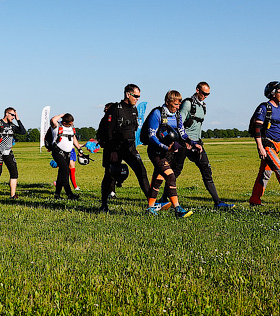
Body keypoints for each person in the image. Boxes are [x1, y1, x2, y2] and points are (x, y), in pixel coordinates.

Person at [172, 82, 234, 209]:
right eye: (204, 93)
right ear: (197, 90)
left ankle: (218, 202)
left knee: (206, 171)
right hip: (184, 143)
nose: (205, 96)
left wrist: (197, 142)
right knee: (176, 172)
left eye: (208, 94)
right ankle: (163, 199)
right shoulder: (188, 103)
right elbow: (179, 123)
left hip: (197, 143)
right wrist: (186, 141)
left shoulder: (203, 106)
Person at [97, 84, 151, 212]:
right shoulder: (115, 109)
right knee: (109, 176)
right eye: (136, 96)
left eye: (139, 97)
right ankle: (104, 205)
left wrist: (134, 147)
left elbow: (133, 130)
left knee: (141, 171)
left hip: (130, 148)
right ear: (128, 94)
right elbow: (108, 131)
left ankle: (151, 202)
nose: (137, 99)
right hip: (115, 148)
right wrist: (111, 151)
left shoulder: (134, 110)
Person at [141, 90, 193, 218]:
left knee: (158, 179)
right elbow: (151, 135)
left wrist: (192, 142)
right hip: (156, 152)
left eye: (179, 104)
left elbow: (182, 132)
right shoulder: (157, 113)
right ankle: (177, 209)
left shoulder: (177, 116)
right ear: (167, 102)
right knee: (170, 176)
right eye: (175, 104)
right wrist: (165, 147)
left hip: (168, 152)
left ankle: (150, 208)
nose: (177, 107)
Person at [47, 113, 82, 201]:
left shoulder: (71, 129)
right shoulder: (57, 126)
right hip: (57, 152)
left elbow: (74, 138)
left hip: (67, 153)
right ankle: (69, 194)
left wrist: (79, 149)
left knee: (61, 174)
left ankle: (57, 194)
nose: (71, 125)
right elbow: (52, 120)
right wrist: (62, 115)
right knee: (66, 171)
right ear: (65, 122)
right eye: (70, 123)